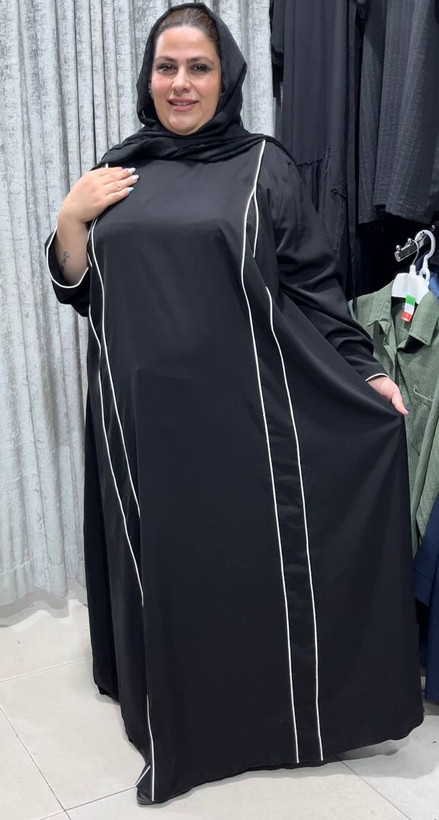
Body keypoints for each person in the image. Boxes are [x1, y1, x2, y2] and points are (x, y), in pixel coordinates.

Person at [44, 2, 423, 806]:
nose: (180, 83)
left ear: (227, 78)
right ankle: (177, 709)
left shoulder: (262, 167)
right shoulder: (119, 169)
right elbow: (80, 287)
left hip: (240, 417)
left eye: (199, 67)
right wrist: (69, 217)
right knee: (170, 570)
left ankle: (261, 719)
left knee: (238, 568)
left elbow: (311, 284)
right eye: (166, 67)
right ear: (148, 78)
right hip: (141, 422)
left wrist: (363, 372)